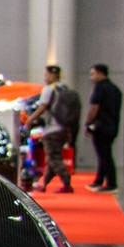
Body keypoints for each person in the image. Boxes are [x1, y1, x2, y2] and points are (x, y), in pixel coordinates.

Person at [28, 64, 78, 193]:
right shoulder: (64, 88)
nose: (45, 77)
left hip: (52, 129)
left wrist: (30, 119)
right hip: (64, 129)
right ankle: (44, 183)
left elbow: (42, 107)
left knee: (53, 158)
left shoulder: (49, 89)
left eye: (46, 74)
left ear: (52, 75)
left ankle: (67, 182)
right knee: (53, 157)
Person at [85, 62, 123, 193]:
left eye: (93, 74)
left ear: (101, 73)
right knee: (104, 154)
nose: (91, 77)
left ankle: (111, 183)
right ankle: (99, 180)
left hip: (100, 127)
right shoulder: (115, 89)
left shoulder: (100, 88)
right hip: (112, 127)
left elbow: (95, 107)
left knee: (105, 156)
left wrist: (88, 123)